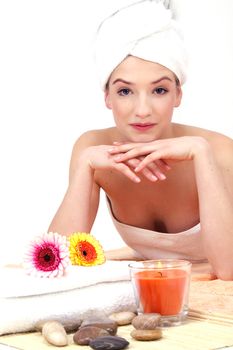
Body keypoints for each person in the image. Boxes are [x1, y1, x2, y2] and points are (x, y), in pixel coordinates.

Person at [48, 0, 233, 280]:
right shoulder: (92, 150)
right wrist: (85, 165)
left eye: (159, 90)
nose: (143, 110)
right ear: (107, 96)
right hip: (153, 290)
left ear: (178, 95)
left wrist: (200, 153)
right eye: (125, 92)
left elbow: (229, 269)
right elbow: (52, 262)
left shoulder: (218, 151)